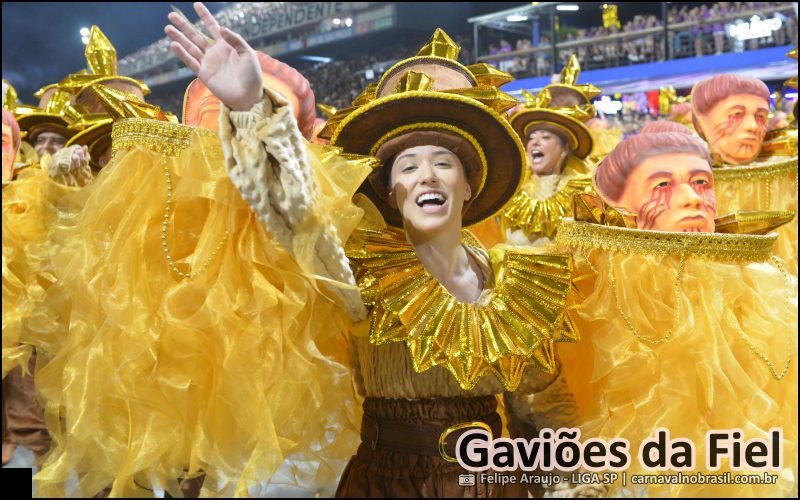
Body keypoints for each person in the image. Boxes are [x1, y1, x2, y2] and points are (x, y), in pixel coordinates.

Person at [163, 7, 583, 496]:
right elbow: (295, 212)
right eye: (407, 167)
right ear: (390, 193)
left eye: (443, 163)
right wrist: (252, 108)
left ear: (469, 187)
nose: (426, 175)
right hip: (390, 484)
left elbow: (542, 404)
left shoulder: (510, 279)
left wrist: (571, 480)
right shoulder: (364, 267)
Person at [556, 123, 797, 496]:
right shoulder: (590, 292)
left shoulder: (764, 287)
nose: (693, 199)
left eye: (702, 183)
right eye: (662, 185)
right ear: (619, 207)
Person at [692, 73, 798, 275]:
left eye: (760, 116)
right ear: (701, 120)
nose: (751, 127)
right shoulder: (683, 177)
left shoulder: (787, 174)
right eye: (736, 115)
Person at [497, 88, 595, 246]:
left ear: (564, 150)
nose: (535, 142)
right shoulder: (510, 191)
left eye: (545, 137)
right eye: (531, 137)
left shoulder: (581, 199)